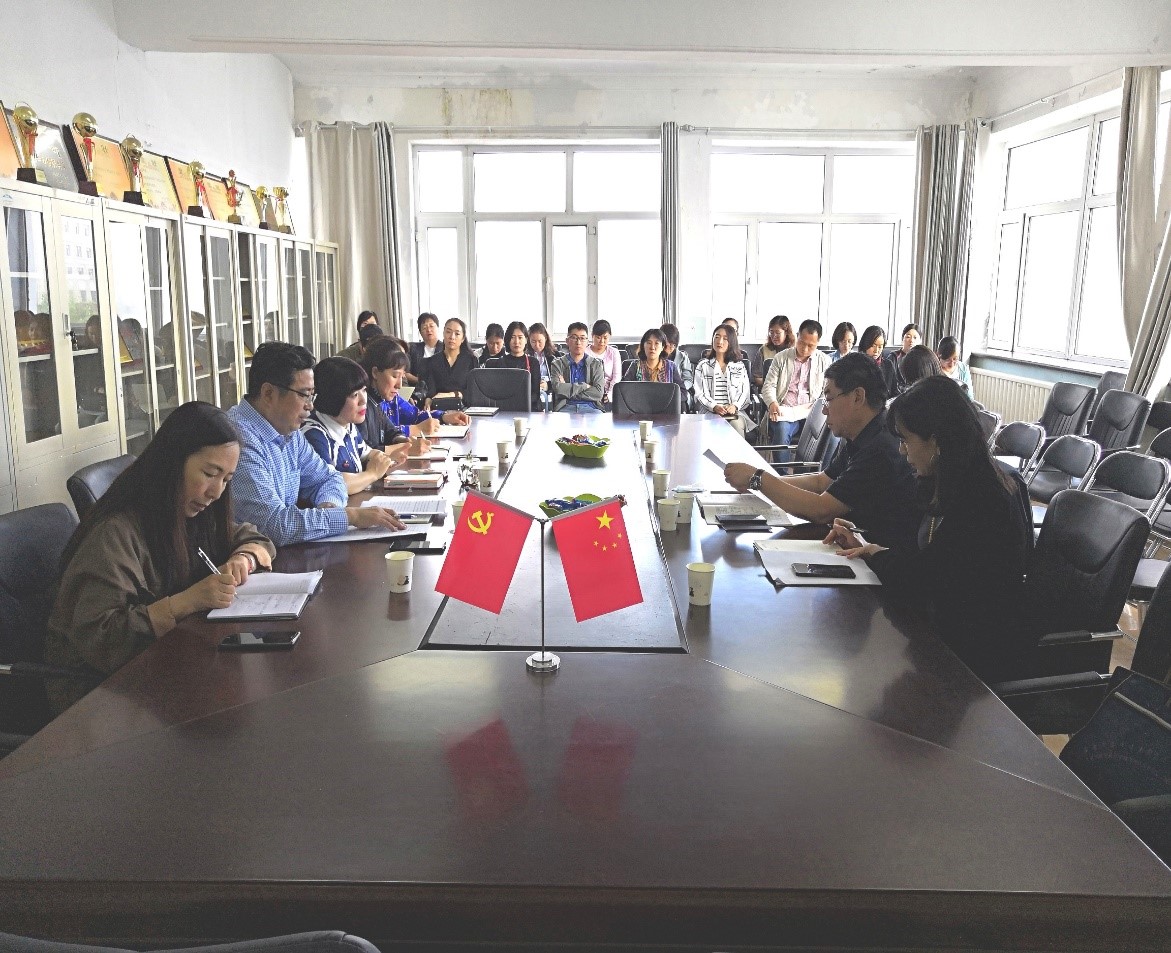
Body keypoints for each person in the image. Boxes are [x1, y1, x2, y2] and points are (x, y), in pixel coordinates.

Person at [44, 402, 277, 715]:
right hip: (99, 698)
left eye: (226, 479)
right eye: (210, 474)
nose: (216, 492)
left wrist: (244, 559)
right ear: (172, 463)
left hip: (159, 669)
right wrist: (187, 601)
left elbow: (254, 539)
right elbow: (102, 638)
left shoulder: (189, 511)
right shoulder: (116, 532)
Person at [822, 375, 1031, 681]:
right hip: (937, 630)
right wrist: (865, 544)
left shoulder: (984, 500)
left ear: (936, 441)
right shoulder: (941, 481)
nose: (901, 451)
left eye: (906, 440)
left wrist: (875, 554)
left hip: (970, 658)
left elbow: (924, 577)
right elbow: (916, 551)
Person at [724, 353, 919, 549]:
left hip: (874, 556)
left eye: (829, 399)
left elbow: (821, 510)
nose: (825, 410)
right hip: (851, 541)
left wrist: (758, 479)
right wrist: (759, 483)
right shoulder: (863, 433)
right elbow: (821, 482)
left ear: (857, 397)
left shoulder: (881, 448)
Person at [226, 341, 404, 546]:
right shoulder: (239, 439)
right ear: (268, 393)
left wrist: (329, 509)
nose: (310, 406)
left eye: (312, 395)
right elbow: (274, 525)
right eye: (304, 395)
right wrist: (350, 517)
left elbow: (330, 478)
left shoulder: (289, 432)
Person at [301, 357, 409, 495]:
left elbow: (367, 453)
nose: (363, 400)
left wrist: (386, 459)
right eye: (355, 394)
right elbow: (331, 484)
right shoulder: (314, 435)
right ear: (333, 397)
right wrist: (372, 474)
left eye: (364, 390)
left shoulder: (347, 426)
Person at [363, 336, 468, 438]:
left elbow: (415, 415)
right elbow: (379, 436)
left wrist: (444, 416)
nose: (399, 385)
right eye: (395, 376)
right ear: (375, 372)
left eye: (402, 376)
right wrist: (415, 429)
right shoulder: (364, 403)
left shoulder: (392, 399)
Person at [761, 319, 830, 453]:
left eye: (810, 346)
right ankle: (783, 468)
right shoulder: (781, 358)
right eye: (802, 343)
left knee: (829, 434)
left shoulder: (825, 361)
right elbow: (769, 386)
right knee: (781, 431)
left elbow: (827, 390)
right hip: (785, 411)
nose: (805, 349)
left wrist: (819, 406)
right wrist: (772, 403)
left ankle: (810, 467)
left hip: (811, 411)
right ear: (797, 336)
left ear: (818, 343)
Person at [693, 323, 752, 432]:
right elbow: (700, 393)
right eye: (717, 337)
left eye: (725, 339)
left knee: (736, 425)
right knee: (709, 427)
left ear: (731, 342)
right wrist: (714, 406)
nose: (720, 341)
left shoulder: (739, 366)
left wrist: (735, 406)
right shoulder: (703, 366)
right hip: (709, 412)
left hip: (734, 413)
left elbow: (744, 392)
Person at [485, 320, 542, 409]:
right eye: (512, 337)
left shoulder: (533, 363)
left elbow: (535, 394)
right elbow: (495, 392)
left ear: (526, 340)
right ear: (507, 340)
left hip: (528, 407)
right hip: (504, 409)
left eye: (520, 337)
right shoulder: (499, 363)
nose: (516, 342)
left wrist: (520, 403)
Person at [550, 322, 604, 413]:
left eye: (582, 338)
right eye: (574, 337)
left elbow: (598, 393)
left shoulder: (596, 364)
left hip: (591, 408)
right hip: (565, 408)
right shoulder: (557, 364)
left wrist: (568, 391)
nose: (578, 342)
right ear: (567, 341)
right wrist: (585, 386)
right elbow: (558, 389)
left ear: (587, 342)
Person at [423, 317, 477, 402]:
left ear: (463, 338)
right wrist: (428, 399)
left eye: (457, 334)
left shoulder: (471, 360)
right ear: (443, 334)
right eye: (448, 332)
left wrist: (452, 394)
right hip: (439, 406)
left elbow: (474, 392)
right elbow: (430, 390)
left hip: (464, 407)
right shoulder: (433, 361)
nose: (452, 337)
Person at [623, 327, 684, 394]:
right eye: (649, 343)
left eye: (657, 343)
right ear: (643, 346)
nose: (652, 347)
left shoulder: (671, 367)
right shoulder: (635, 366)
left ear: (663, 347)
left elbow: (682, 392)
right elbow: (623, 390)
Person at [750, 315, 795, 389]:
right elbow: (757, 378)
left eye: (778, 333)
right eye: (771, 332)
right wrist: (771, 385)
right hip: (767, 389)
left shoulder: (794, 350)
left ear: (786, 332)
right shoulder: (764, 350)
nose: (774, 336)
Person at [588, 319, 623, 406]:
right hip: (589, 393)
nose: (602, 341)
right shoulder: (585, 352)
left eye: (605, 338)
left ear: (610, 336)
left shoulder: (614, 352)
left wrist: (609, 395)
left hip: (608, 394)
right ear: (592, 336)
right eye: (598, 337)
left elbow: (616, 377)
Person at [881, 323, 922, 397]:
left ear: (920, 341)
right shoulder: (893, 357)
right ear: (902, 339)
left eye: (915, 338)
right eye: (908, 337)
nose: (911, 340)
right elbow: (890, 384)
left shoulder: (922, 359)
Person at [660, 323, 694, 408]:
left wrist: (678, 389)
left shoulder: (682, 357)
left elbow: (688, 379)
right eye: (668, 344)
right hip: (660, 392)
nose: (670, 348)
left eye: (673, 345)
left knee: (681, 403)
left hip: (679, 392)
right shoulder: (656, 356)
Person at [406, 312, 441, 386]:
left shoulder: (446, 348)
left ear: (438, 328)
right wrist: (421, 381)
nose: (428, 330)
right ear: (420, 332)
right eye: (424, 328)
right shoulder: (412, 348)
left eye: (431, 326)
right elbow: (405, 372)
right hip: (417, 388)